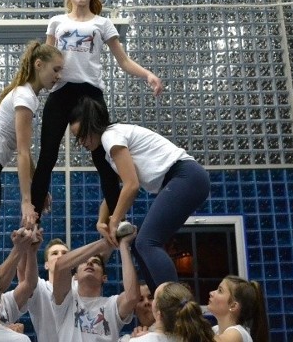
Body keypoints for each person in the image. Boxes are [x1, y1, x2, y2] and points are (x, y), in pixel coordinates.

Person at [30, 0, 164, 220]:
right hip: (61, 93)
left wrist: (148, 74)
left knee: (102, 158)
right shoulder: (57, 22)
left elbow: (123, 61)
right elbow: (46, 61)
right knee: (47, 155)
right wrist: (31, 89)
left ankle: (117, 221)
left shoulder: (102, 23)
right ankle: (33, 219)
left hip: (90, 93)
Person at [68, 96, 211, 293]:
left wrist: (114, 221)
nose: (81, 142)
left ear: (93, 126)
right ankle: (161, 306)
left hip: (185, 176)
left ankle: (175, 310)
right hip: (186, 178)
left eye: (82, 135)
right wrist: (102, 220)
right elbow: (117, 193)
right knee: (139, 245)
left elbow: (131, 186)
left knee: (147, 242)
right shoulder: (112, 144)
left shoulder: (111, 137)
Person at [0, 41, 64, 273]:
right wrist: (26, 202)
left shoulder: (28, 96)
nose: (58, 76)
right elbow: (22, 151)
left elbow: (25, 152)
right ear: (39, 65)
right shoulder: (25, 96)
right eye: (56, 69)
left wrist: (38, 186)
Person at [52, 229, 140, 342]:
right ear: (75, 276)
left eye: (96, 262)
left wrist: (123, 244)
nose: (89, 263)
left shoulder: (111, 306)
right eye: (84, 261)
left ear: (104, 277)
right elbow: (60, 266)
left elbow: (132, 297)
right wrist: (108, 242)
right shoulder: (66, 302)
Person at [24, 236, 115, 341]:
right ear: (46, 264)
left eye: (65, 254)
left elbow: (99, 261)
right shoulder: (39, 287)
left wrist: (112, 236)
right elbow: (24, 277)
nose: (60, 257)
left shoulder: (79, 283)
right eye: (54, 253)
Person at [134, 282, 215, 342]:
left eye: (153, 297)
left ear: (159, 313)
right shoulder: (204, 338)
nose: (147, 303)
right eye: (140, 299)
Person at [207, 276, 270, 342]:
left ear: (233, 306)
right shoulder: (215, 330)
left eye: (220, 291)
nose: (211, 293)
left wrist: (196, 319)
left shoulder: (237, 333)